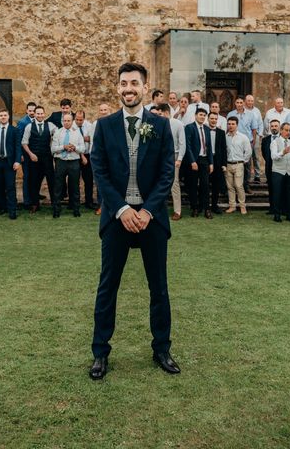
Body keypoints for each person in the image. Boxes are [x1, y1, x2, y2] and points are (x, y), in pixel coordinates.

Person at [89, 62, 178, 380]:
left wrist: (147, 210)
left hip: (151, 218)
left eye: (134, 83)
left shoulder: (160, 125)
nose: (129, 88)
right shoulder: (105, 126)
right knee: (107, 286)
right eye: (123, 83)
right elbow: (99, 170)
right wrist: (123, 210)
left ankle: (162, 349)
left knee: (159, 288)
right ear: (118, 88)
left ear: (144, 87)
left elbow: (167, 171)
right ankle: (100, 352)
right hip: (117, 218)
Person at [22, 106, 56, 213]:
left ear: (44, 114)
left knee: (52, 182)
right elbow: (24, 142)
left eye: (42, 113)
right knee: (34, 182)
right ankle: (35, 204)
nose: (40, 115)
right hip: (34, 159)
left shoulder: (50, 126)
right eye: (38, 113)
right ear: (35, 114)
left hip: (47, 158)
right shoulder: (28, 126)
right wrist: (30, 154)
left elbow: (60, 133)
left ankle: (55, 204)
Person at [52, 113, 85, 218]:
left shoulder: (77, 133)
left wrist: (74, 148)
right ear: (62, 121)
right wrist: (64, 147)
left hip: (74, 162)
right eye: (65, 121)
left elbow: (83, 148)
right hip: (60, 162)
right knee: (58, 187)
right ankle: (56, 210)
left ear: (72, 121)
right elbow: (53, 149)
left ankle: (76, 209)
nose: (66, 122)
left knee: (74, 187)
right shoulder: (58, 132)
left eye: (68, 121)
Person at [184, 107, 213, 218]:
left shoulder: (206, 129)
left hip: (205, 160)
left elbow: (209, 147)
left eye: (204, 115)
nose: (202, 117)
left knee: (205, 185)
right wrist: (192, 161)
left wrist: (211, 163)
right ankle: (195, 208)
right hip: (194, 161)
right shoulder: (189, 127)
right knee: (193, 185)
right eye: (200, 114)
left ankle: (206, 209)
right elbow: (188, 146)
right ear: (196, 115)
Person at [158, 103, 185, 220]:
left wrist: (179, 159)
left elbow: (182, 143)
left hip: (174, 155)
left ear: (166, 113)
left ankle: (177, 211)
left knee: (174, 183)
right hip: (160, 156)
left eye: (160, 114)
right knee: (159, 183)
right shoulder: (157, 124)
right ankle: (158, 209)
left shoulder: (178, 124)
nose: (158, 116)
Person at [227, 97, 259, 193]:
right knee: (234, 165)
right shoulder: (230, 114)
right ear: (235, 103)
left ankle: (246, 185)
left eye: (241, 102)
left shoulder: (250, 114)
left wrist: (253, 141)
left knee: (247, 165)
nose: (239, 104)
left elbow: (254, 129)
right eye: (237, 102)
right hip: (234, 142)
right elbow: (228, 127)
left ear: (244, 103)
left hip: (247, 142)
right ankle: (234, 186)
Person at [270, 122, 290, 222]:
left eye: (289, 130)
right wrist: (283, 152)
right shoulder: (275, 142)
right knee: (277, 194)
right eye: (286, 130)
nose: (288, 132)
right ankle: (277, 215)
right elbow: (273, 157)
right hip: (278, 171)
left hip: (289, 172)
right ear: (281, 130)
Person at [224, 117, 252, 215]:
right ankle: (232, 206)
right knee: (230, 186)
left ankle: (242, 206)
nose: (230, 126)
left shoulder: (243, 137)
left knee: (239, 186)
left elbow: (248, 151)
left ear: (237, 125)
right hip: (228, 164)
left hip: (238, 164)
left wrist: (242, 161)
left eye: (233, 124)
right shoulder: (225, 137)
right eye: (229, 124)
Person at [90, 103, 111, 215]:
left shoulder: (114, 122)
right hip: (100, 156)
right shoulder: (95, 124)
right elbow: (94, 141)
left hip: (112, 156)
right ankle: (101, 206)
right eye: (101, 110)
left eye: (105, 110)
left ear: (109, 110)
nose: (103, 112)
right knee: (100, 181)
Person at [16, 102, 36, 209]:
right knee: (27, 177)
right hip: (25, 155)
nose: (32, 112)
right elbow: (18, 139)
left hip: (36, 154)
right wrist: (20, 155)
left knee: (35, 176)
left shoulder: (38, 120)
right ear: (27, 111)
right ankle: (27, 201)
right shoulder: (22, 122)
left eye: (34, 110)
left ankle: (34, 197)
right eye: (30, 110)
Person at [74, 111, 95, 209]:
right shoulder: (71, 126)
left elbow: (94, 139)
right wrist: (82, 139)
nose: (78, 121)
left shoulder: (89, 126)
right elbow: (73, 142)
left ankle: (89, 202)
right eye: (77, 119)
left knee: (89, 180)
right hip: (76, 155)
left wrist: (88, 139)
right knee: (74, 180)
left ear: (84, 118)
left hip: (87, 155)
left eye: (81, 120)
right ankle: (74, 202)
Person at [207, 112, 227, 215]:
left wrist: (224, 164)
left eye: (215, 118)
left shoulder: (221, 132)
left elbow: (224, 149)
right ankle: (205, 206)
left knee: (216, 185)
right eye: (212, 118)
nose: (213, 120)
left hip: (218, 161)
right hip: (206, 161)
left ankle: (214, 206)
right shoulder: (204, 130)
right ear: (208, 119)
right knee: (205, 184)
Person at [262, 119, 281, 215]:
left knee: (281, 188)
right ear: (270, 127)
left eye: (276, 126)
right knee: (271, 188)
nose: (274, 128)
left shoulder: (283, 138)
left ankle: (281, 208)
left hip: (280, 168)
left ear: (279, 127)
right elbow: (264, 154)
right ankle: (272, 208)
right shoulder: (265, 140)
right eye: (272, 126)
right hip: (269, 167)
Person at [244, 94, 263, 183]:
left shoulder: (257, 111)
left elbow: (260, 123)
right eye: (248, 100)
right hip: (245, 137)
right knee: (246, 156)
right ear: (245, 101)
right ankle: (246, 176)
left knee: (256, 156)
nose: (250, 102)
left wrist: (260, 134)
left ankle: (257, 175)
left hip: (256, 135)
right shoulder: (242, 110)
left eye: (252, 100)